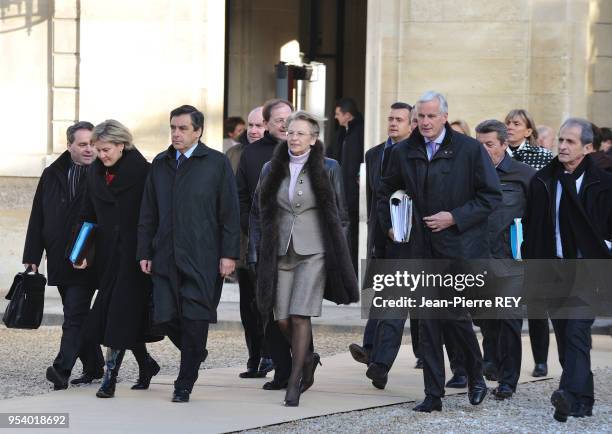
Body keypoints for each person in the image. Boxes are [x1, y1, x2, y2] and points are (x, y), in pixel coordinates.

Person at [378, 91, 501, 412]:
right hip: (418, 249)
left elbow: (490, 197)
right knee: (428, 322)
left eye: (432, 116)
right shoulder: (404, 151)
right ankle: (433, 394)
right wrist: (390, 224)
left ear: (445, 117)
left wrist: (454, 217)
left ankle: (475, 375)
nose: (425, 122)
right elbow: (384, 190)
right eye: (421, 116)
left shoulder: (470, 150)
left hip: (458, 249)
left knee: (456, 317)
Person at [249, 110, 359, 407]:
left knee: (300, 315)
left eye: (301, 133)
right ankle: (307, 358)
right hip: (280, 251)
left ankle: (296, 381)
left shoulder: (328, 167)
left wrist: (340, 253)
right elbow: (258, 212)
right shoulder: (271, 167)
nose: (294, 137)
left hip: (315, 252)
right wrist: (255, 250)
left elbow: (341, 215)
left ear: (313, 139)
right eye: (291, 132)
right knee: (281, 318)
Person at [137, 105, 240, 403]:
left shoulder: (217, 163)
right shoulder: (160, 163)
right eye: (173, 128)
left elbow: (229, 213)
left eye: (182, 128)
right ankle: (195, 350)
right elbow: (148, 212)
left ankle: (184, 383)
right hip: (165, 256)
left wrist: (229, 255)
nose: (176, 133)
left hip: (203, 257)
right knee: (164, 316)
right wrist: (144, 251)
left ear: (198, 131)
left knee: (195, 317)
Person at [522, 118, 612, 422]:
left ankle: (567, 395)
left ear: (587, 148)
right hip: (552, 270)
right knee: (566, 338)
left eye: (570, 141)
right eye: (560, 140)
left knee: (575, 330)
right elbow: (531, 229)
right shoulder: (543, 181)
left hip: (588, 271)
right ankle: (582, 400)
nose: (562, 146)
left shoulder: (604, 184)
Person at [75, 119, 161, 399]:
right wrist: (82, 252)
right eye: (98, 150)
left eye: (107, 149)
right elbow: (88, 215)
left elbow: (152, 217)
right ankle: (147, 364)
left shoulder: (145, 172)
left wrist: (148, 252)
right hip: (107, 257)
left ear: (122, 145)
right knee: (122, 317)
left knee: (117, 317)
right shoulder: (94, 174)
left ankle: (109, 379)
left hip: (135, 258)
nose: (102, 155)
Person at [23, 121, 104, 390]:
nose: (90, 149)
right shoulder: (52, 173)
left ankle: (61, 369)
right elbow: (38, 216)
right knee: (78, 314)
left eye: (93, 143)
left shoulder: (104, 174)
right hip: (58, 257)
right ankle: (94, 366)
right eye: (83, 144)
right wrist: (32, 255)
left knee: (74, 314)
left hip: (87, 259)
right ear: (69, 145)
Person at [349, 102, 418, 389]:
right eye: (390, 118)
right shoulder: (374, 153)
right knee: (377, 298)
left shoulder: (417, 154)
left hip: (407, 238)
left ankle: (379, 360)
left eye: (399, 119)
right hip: (380, 236)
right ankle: (371, 351)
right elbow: (373, 197)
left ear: (411, 123)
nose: (393, 123)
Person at [237, 99, 295, 390]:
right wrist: (249, 235)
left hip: (298, 246)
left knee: (294, 309)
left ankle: (301, 360)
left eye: (288, 119)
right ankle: (272, 364)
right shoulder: (250, 155)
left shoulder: (304, 150)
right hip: (260, 244)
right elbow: (243, 198)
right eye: (278, 121)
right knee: (263, 309)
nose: (284, 126)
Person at [475, 119, 535, 399]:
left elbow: (538, 216)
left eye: (489, 145)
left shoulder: (524, 175)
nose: (484, 150)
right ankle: (492, 363)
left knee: (509, 319)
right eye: (480, 145)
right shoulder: (470, 174)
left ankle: (508, 380)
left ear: (503, 144)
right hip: (479, 257)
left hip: (512, 259)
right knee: (488, 319)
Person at [505, 108, 553, 377]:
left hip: (533, 235)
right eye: (507, 123)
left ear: (528, 130)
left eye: (516, 124)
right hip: (504, 234)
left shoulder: (543, 157)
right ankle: (500, 361)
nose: (510, 127)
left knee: (537, 303)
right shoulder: (496, 155)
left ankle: (541, 359)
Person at [226, 106, 273, 379]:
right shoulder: (234, 155)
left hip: (271, 243)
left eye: (260, 125)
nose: (255, 131)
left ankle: (271, 354)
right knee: (249, 306)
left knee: (268, 304)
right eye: (251, 126)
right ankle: (255, 356)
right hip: (244, 243)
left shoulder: (279, 153)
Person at [330, 97, 364, 272]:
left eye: (337, 114)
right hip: (342, 188)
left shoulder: (361, 132)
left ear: (348, 115)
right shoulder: (343, 132)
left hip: (354, 192)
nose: (335, 117)